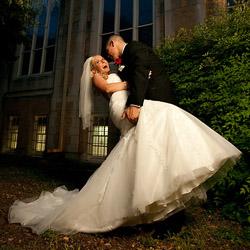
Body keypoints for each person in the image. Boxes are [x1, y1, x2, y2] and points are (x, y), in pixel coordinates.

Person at [9, 55, 241, 235]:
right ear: (93, 69)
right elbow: (110, 89)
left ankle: (151, 198)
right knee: (165, 113)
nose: (103, 63)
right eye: (99, 62)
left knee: (148, 141)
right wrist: (136, 80)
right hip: (120, 108)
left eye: (103, 60)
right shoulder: (96, 78)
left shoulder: (114, 73)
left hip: (127, 104)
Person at [106, 35, 174, 124]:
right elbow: (132, 83)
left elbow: (140, 72)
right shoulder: (125, 58)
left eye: (108, 51)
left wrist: (134, 104)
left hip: (157, 99)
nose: (108, 55)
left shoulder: (135, 47)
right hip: (146, 102)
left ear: (112, 44)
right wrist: (127, 105)